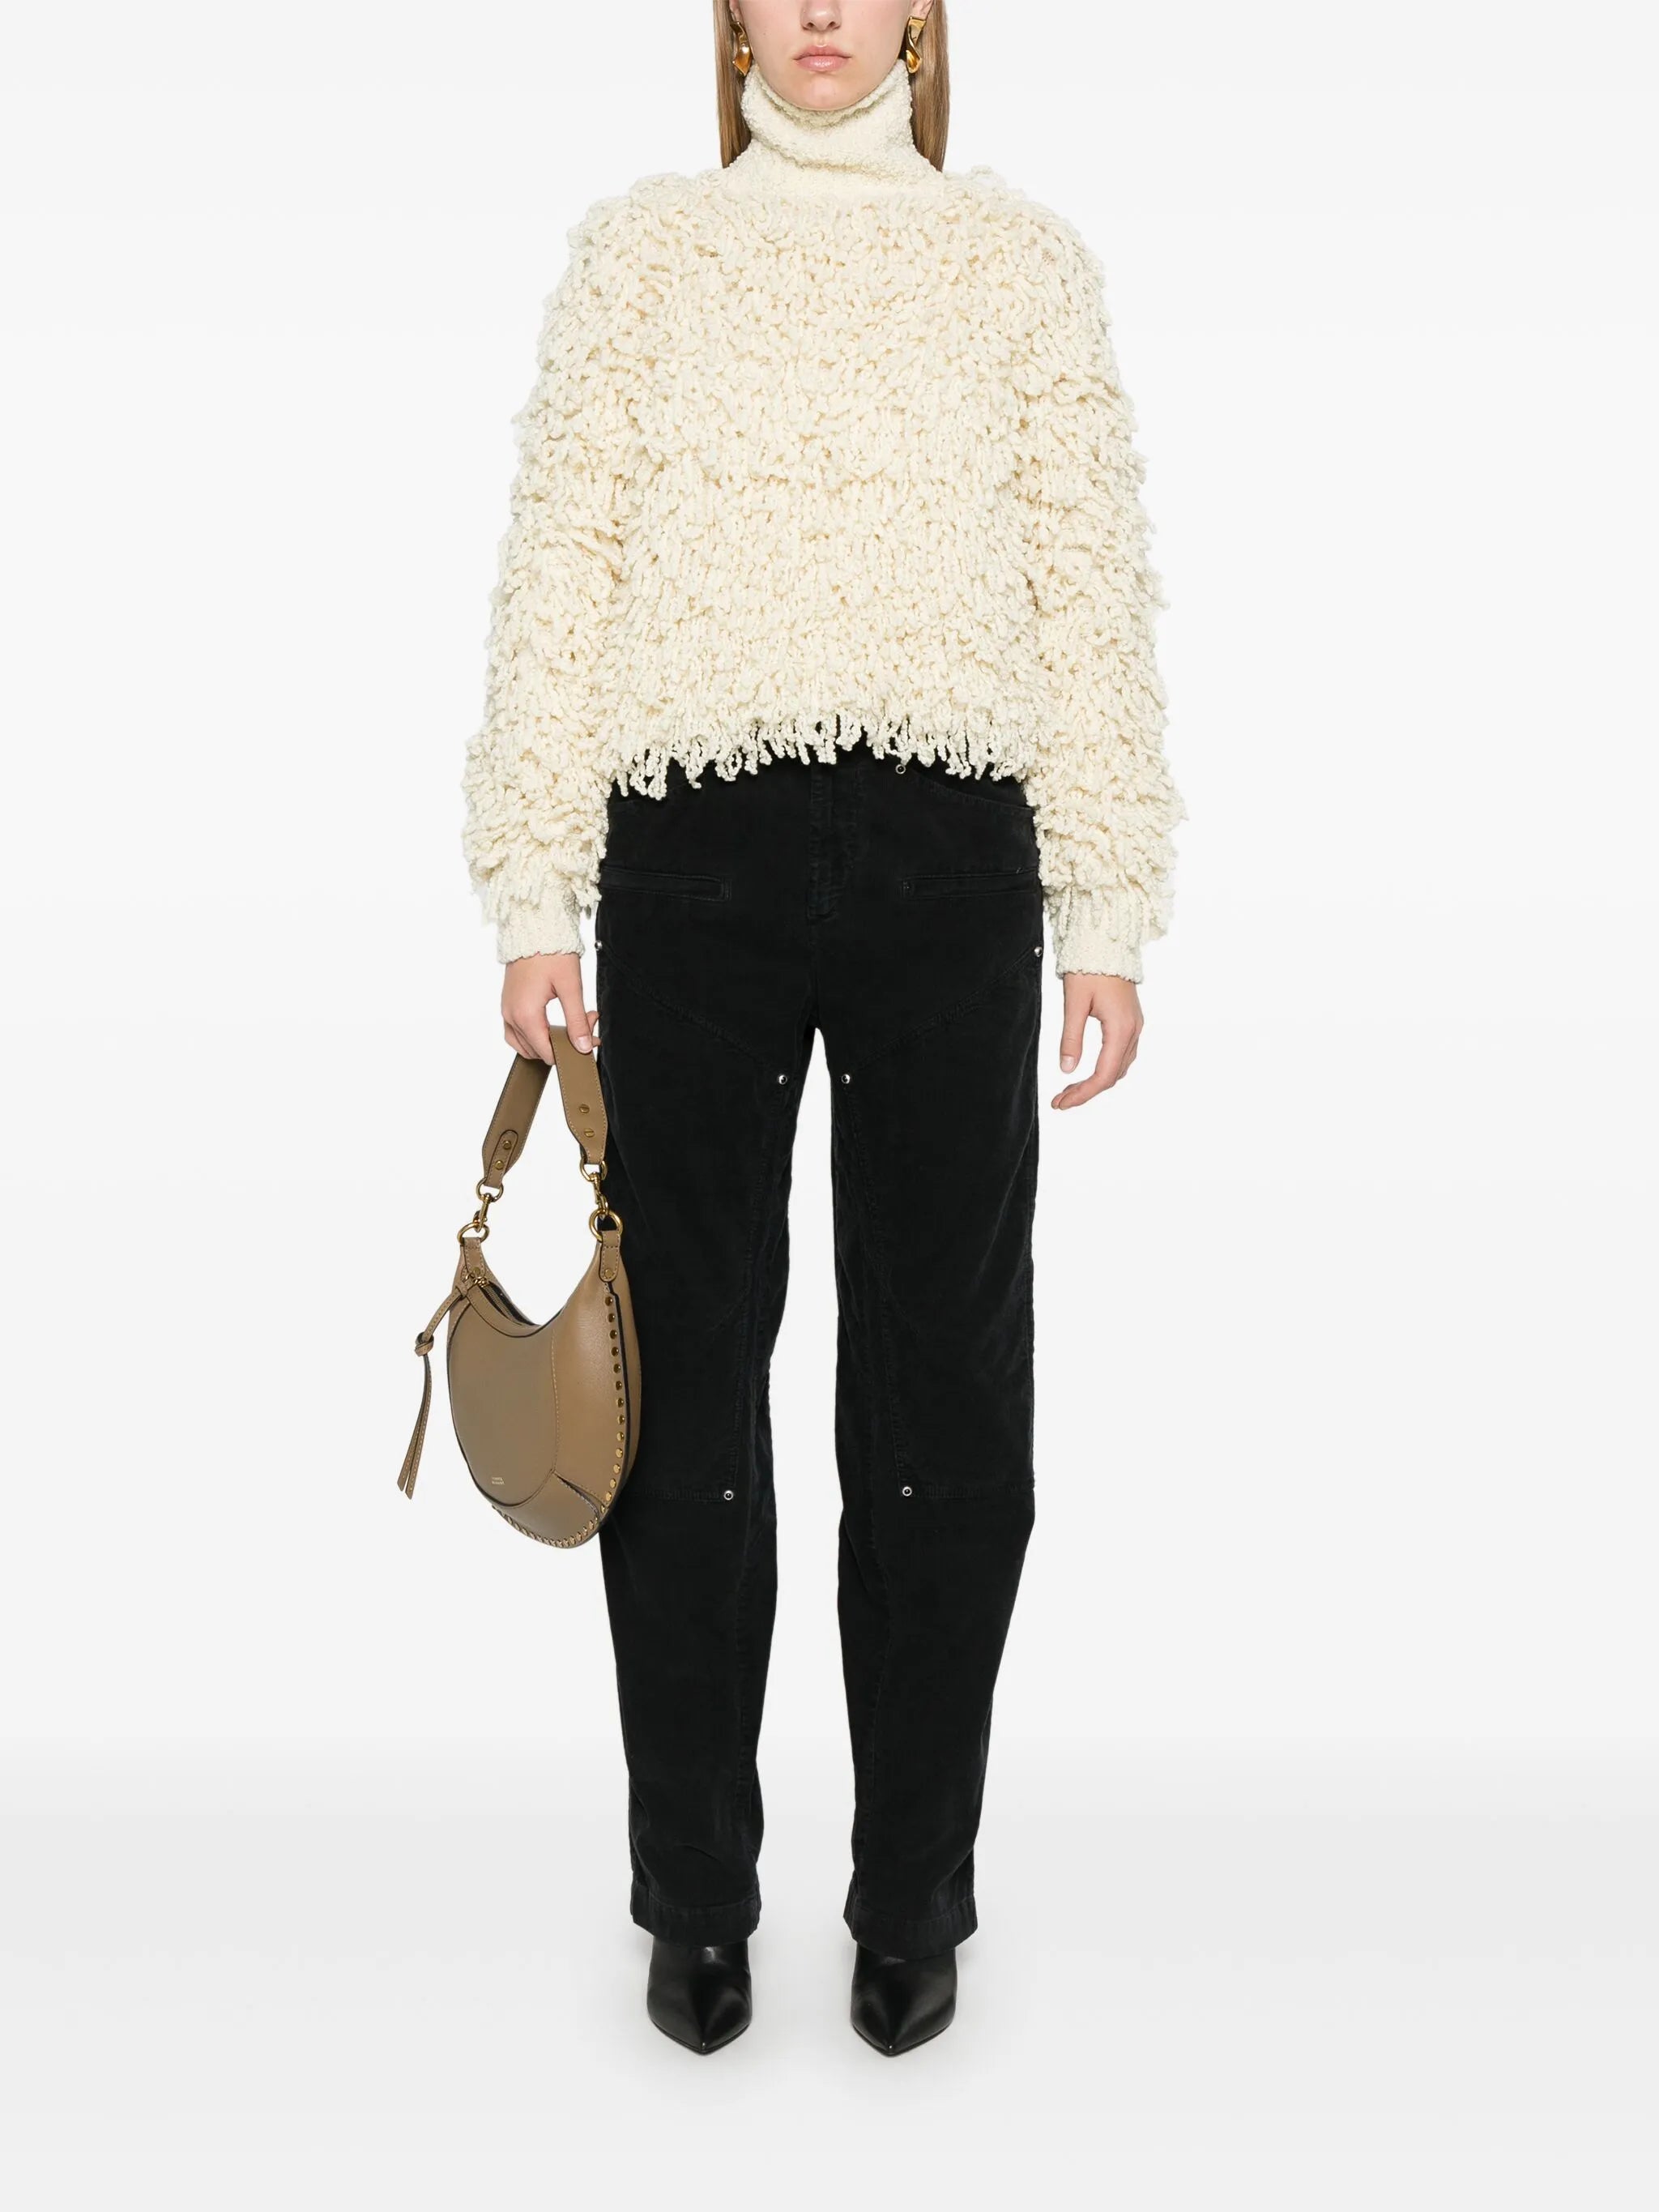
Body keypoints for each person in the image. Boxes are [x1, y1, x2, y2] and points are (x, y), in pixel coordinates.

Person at [458, 0, 1183, 2057]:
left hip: (955, 856)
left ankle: (915, 1893)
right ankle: (694, 1894)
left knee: (945, 1399)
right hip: (689, 850)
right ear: (730, 18)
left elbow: (1085, 581)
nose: (824, 14)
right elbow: (562, 565)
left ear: (926, 14)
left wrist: (1106, 906)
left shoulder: (1017, 262)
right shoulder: (644, 254)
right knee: (679, 1389)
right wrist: (532, 888)